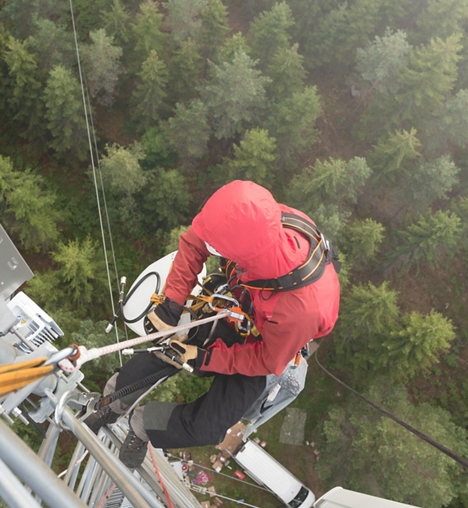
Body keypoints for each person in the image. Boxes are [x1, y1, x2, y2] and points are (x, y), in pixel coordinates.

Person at [85, 180, 340, 468]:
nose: (210, 248)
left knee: (209, 426)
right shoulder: (257, 217)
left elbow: (266, 360)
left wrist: (204, 358)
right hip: (239, 300)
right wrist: (172, 303)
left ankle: (143, 425)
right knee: (172, 342)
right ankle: (110, 403)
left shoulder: (302, 310)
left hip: (266, 346)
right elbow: (195, 241)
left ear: (242, 255)